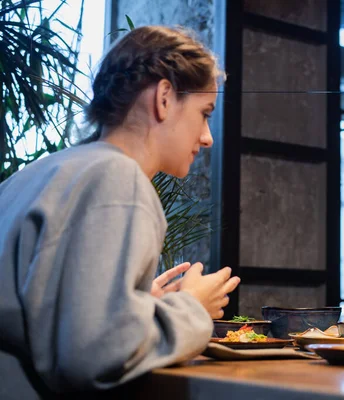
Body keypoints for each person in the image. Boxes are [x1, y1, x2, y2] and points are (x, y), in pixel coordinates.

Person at [0, 26, 240, 398]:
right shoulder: (118, 178)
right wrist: (191, 307)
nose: (207, 137)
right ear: (164, 98)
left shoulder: (38, 173)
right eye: (204, 113)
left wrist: (138, 307)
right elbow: (94, 355)